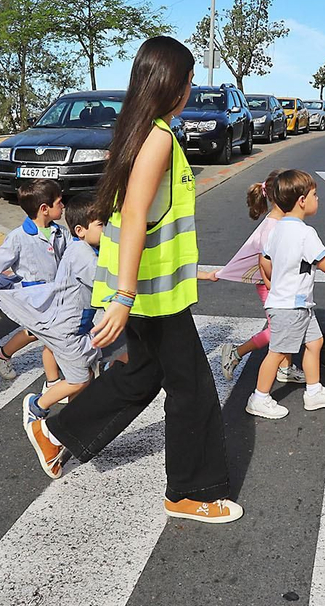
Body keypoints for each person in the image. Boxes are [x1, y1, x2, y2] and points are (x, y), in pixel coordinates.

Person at [20, 35, 241, 523]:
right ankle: (187, 492)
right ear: (175, 85)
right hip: (144, 291)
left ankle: (56, 433)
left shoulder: (140, 129)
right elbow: (137, 214)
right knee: (194, 390)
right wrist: (122, 296)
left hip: (147, 287)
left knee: (144, 373)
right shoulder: (159, 135)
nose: (189, 88)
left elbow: (145, 215)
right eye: (188, 80)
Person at [244, 169, 325, 420]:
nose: (317, 198)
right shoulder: (304, 233)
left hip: (293, 302)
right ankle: (259, 397)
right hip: (290, 305)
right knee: (277, 352)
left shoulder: (277, 228)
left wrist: (278, 277)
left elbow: (266, 261)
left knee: (315, 342)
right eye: (315, 194)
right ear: (302, 201)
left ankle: (313, 392)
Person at [4, 195, 109, 424]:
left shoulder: (88, 248)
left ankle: (73, 418)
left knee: (84, 375)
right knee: (79, 379)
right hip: (67, 328)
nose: (107, 229)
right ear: (80, 230)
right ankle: (37, 406)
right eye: (102, 225)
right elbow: (104, 284)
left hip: (75, 326)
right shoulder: (81, 253)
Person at [201, 171, 301, 385]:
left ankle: (285, 368)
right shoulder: (272, 227)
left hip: (278, 284)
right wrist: (276, 285)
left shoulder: (280, 221)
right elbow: (265, 262)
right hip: (271, 285)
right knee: (278, 329)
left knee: (284, 325)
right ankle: (236, 354)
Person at [0, 179, 66, 381]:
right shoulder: (18, 237)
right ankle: (52, 383)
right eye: (60, 202)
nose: (63, 206)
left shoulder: (60, 233)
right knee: (49, 336)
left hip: (56, 294)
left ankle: (2, 354)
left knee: (39, 333)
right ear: (45, 209)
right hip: (34, 298)